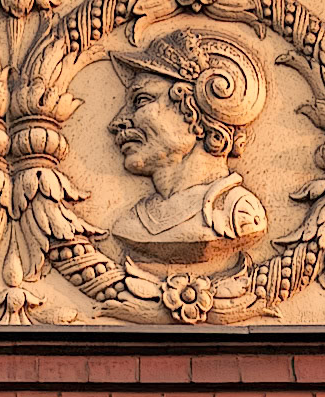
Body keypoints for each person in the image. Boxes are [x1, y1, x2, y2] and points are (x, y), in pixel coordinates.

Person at [108, 27, 269, 266]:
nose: (118, 122)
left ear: (196, 108)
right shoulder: (131, 224)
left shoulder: (238, 216)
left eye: (141, 100)